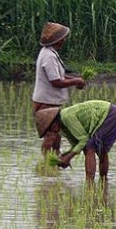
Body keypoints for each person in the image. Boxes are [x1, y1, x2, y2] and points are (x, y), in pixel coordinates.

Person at [35, 100, 116, 180]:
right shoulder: (61, 129)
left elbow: (84, 139)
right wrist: (65, 156)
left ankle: (89, 185)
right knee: (101, 151)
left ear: (54, 121)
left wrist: (69, 157)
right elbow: (76, 144)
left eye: (51, 128)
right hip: (113, 114)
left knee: (90, 147)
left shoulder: (66, 117)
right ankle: (104, 182)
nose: (52, 132)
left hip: (110, 114)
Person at [32, 22, 87, 153]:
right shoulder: (49, 56)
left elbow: (60, 76)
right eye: (63, 38)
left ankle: (55, 160)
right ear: (57, 40)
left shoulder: (50, 53)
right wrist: (75, 81)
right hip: (47, 103)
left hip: (52, 102)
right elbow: (55, 82)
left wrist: (75, 80)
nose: (64, 40)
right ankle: (46, 164)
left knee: (57, 135)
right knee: (51, 135)